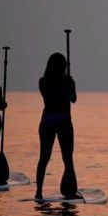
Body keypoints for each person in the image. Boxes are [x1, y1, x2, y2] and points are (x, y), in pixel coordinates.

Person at [35, 53, 77, 199]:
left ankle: (39, 192)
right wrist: (69, 86)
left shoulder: (43, 81)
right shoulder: (64, 81)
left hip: (47, 120)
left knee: (44, 158)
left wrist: (69, 85)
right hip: (63, 120)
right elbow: (73, 99)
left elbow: (69, 98)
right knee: (67, 159)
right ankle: (70, 190)